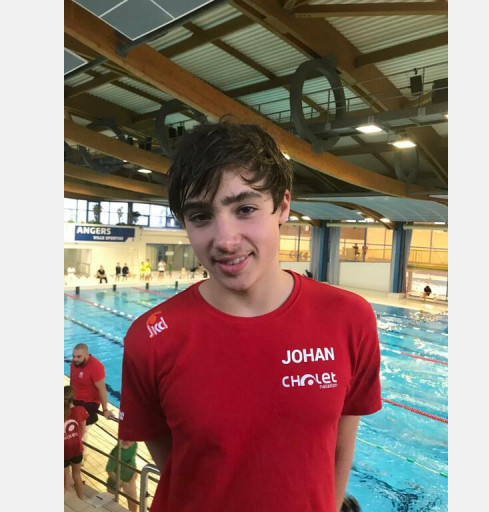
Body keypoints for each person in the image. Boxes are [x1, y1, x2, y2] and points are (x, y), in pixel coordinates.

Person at [118, 121, 381, 512]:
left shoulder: (348, 318)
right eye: (201, 216)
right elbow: (177, 463)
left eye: (245, 209)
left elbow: (341, 443)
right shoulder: (151, 338)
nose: (226, 241)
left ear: (283, 206)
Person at [70, 343, 115, 427]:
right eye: (74, 356)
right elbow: (72, 382)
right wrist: (69, 399)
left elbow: (102, 389)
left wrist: (105, 409)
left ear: (86, 355)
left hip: (89, 402)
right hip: (75, 399)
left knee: (74, 421)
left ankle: (91, 418)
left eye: (79, 357)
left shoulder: (96, 367)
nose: (75, 359)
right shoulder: (74, 363)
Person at [64, 385, 88, 500]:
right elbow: (83, 429)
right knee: (77, 476)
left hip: (64, 450)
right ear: (73, 398)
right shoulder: (80, 410)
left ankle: (66, 500)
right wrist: (77, 439)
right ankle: (80, 499)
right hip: (77, 448)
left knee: (65, 478)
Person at [106, 440, 139, 512]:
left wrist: (135, 472)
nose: (128, 441)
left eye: (130, 439)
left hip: (129, 479)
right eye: (125, 438)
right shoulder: (116, 452)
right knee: (111, 504)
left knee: (133, 504)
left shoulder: (134, 445)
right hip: (114, 481)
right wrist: (122, 483)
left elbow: (132, 459)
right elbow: (110, 471)